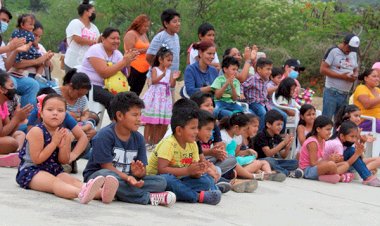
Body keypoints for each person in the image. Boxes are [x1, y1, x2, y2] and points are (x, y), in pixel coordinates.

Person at [16, 93, 119, 204]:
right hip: (31, 170)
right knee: (55, 183)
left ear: (65, 115)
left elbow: (64, 160)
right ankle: (80, 193)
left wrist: (63, 146)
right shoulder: (37, 131)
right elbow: (37, 159)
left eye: (60, 111)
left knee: (72, 180)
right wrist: (54, 143)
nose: (55, 113)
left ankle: (102, 193)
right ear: (41, 113)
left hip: (53, 169)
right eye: (50, 110)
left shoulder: (63, 132)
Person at [83, 92, 176, 206]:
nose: (139, 119)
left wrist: (139, 174)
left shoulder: (139, 138)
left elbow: (142, 172)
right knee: (107, 176)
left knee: (160, 182)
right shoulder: (104, 136)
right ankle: (147, 198)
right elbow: (107, 167)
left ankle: (118, 193)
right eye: (135, 115)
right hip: (99, 177)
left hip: (126, 179)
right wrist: (128, 178)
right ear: (120, 116)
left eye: (140, 114)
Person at [147, 107, 222, 205]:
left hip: (180, 180)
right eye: (193, 128)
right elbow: (162, 170)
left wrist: (198, 171)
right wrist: (187, 171)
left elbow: (193, 171)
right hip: (157, 179)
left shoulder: (193, 144)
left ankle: (180, 193)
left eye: (197, 127)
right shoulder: (169, 143)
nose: (196, 131)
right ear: (179, 130)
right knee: (167, 180)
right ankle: (198, 196)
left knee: (205, 180)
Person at [79, 27, 138, 117]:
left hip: (108, 87)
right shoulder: (95, 50)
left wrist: (127, 63)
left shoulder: (117, 53)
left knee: (132, 98)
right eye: (113, 38)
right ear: (103, 39)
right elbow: (104, 73)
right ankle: (117, 125)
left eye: (118, 38)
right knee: (114, 100)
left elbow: (126, 75)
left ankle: (127, 124)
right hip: (91, 86)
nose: (116, 41)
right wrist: (124, 62)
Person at [220, 113, 286, 183]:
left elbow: (236, 153)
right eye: (244, 129)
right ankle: (253, 176)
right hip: (228, 163)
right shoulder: (223, 136)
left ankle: (265, 174)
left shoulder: (238, 136)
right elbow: (223, 157)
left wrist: (248, 151)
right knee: (256, 163)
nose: (244, 132)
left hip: (235, 161)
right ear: (236, 127)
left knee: (262, 162)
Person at [190, 92, 237, 182]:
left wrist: (220, 150)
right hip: (193, 161)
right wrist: (211, 153)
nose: (211, 108)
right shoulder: (190, 130)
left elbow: (218, 144)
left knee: (231, 159)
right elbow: (195, 154)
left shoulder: (212, 123)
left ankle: (217, 177)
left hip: (206, 158)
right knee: (214, 169)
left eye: (212, 105)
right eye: (207, 105)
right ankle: (221, 179)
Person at [141, 46, 180, 146]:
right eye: (168, 60)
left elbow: (171, 84)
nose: (170, 63)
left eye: (171, 60)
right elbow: (153, 81)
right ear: (160, 60)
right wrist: (162, 75)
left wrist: (174, 78)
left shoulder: (169, 72)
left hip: (164, 98)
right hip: (155, 97)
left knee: (160, 122)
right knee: (149, 121)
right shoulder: (155, 69)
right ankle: (145, 141)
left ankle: (155, 142)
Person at [333, 104, 380, 185]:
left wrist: (362, 141)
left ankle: (362, 171)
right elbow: (350, 150)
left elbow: (359, 153)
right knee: (351, 150)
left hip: (352, 159)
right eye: (356, 116)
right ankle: (366, 175)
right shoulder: (343, 128)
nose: (358, 119)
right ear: (347, 115)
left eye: (359, 116)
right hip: (341, 161)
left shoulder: (355, 129)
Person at [298, 116, 350, 183]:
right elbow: (313, 163)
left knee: (345, 164)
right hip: (307, 170)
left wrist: (335, 158)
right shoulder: (312, 142)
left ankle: (330, 177)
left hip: (318, 167)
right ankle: (339, 177)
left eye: (330, 130)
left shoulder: (323, 141)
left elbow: (321, 160)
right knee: (331, 164)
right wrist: (329, 160)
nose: (330, 132)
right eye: (327, 129)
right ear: (318, 129)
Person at [253, 110, 303, 178]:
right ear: (268, 124)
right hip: (261, 161)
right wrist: (283, 143)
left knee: (295, 163)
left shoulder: (277, 136)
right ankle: (287, 173)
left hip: (274, 162)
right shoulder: (261, 135)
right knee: (270, 160)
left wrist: (287, 146)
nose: (280, 127)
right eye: (278, 124)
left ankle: (276, 171)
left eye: (281, 124)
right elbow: (268, 153)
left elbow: (283, 156)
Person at [321, 33, 360, 120]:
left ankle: (337, 134)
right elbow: (323, 69)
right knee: (326, 119)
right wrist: (341, 76)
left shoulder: (353, 53)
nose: (350, 50)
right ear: (344, 43)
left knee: (341, 121)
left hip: (345, 93)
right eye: (349, 48)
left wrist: (355, 75)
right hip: (332, 92)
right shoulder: (333, 51)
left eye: (353, 49)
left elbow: (356, 68)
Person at [0, 70, 32, 167]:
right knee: (12, 143)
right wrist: (16, 118)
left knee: (20, 134)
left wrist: (18, 118)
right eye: (11, 86)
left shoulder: (3, 104)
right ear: (1, 89)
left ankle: (15, 155)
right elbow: (1, 133)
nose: (14, 89)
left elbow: (9, 131)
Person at [53, 68, 96, 140]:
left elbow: (86, 113)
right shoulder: (54, 93)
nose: (80, 97)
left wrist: (84, 118)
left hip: (78, 130)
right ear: (70, 86)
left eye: (83, 95)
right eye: (79, 94)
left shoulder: (82, 98)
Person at [64, 0, 99, 72]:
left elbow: (99, 43)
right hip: (72, 62)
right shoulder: (75, 22)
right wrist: (94, 41)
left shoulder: (94, 27)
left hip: (86, 64)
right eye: (93, 12)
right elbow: (78, 39)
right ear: (86, 12)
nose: (94, 14)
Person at [242, 58, 273, 130]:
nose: (270, 72)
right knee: (262, 113)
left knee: (274, 114)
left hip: (263, 102)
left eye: (270, 69)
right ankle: (259, 133)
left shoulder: (266, 79)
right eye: (268, 69)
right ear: (259, 69)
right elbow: (242, 86)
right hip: (254, 102)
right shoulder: (253, 79)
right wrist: (241, 93)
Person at [146, 9, 180, 74]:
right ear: (166, 23)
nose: (178, 24)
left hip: (172, 77)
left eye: (179, 21)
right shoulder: (160, 37)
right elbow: (149, 57)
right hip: (160, 78)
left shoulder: (176, 36)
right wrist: (159, 71)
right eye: (175, 21)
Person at [123, 14, 151, 96]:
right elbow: (130, 51)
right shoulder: (131, 34)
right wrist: (145, 50)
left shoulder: (144, 35)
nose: (146, 28)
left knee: (136, 93)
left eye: (148, 26)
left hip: (144, 69)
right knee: (129, 92)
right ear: (138, 24)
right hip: (133, 68)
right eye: (144, 26)